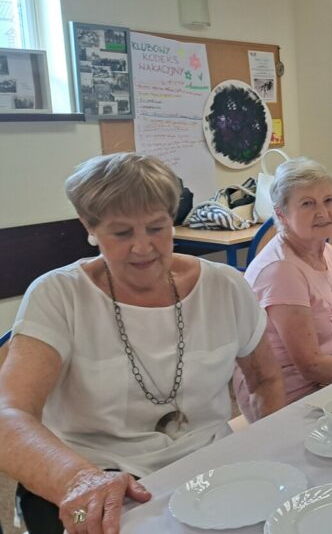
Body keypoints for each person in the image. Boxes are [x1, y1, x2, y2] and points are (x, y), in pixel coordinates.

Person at [0, 153, 285, 534]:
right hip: (91, 489)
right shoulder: (57, 295)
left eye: (156, 228)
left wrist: (267, 448)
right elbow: (9, 414)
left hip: (211, 473)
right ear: (89, 227)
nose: (142, 247)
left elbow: (265, 378)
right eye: (121, 233)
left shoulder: (225, 286)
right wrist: (76, 480)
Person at [232, 158, 332, 422]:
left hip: (322, 379)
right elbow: (310, 365)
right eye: (307, 203)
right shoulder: (282, 269)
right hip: (282, 395)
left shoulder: (322, 249)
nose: (323, 212)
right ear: (281, 214)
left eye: (328, 200)